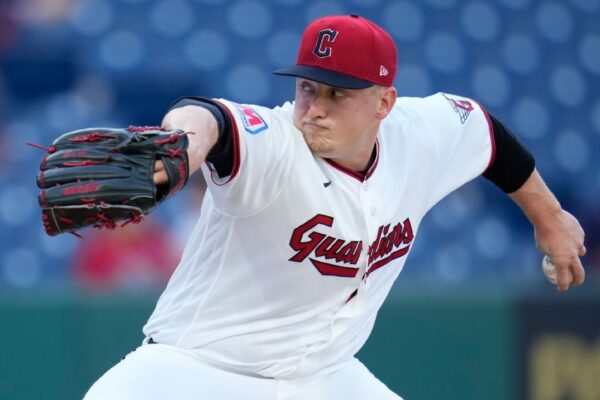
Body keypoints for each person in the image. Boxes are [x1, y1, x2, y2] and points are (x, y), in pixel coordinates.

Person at [82, 15, 586, 400]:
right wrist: (182, 146)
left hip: (323, 376)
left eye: (337, 94)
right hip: (198, 370)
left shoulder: (420, 135)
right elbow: (209, 118)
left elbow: (484, 133)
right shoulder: (276, 144)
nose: (315, 108)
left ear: (384, 103)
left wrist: (550, 218)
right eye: (307, 88)